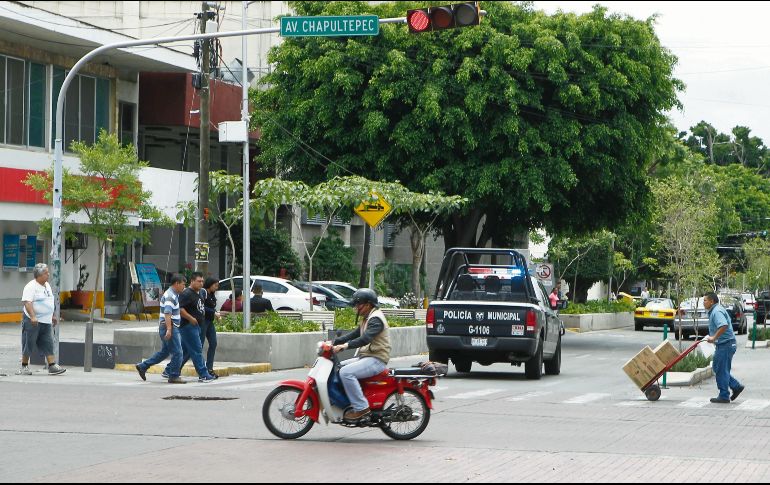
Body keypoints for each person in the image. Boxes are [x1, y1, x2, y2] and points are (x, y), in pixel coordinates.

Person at [332, 288, 391, 421]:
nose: (356, 307)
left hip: (377, 359)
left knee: (346, 373)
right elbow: (355, 333)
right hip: (368, 357)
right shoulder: (368, 317)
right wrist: (335, 341)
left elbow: (365, 339)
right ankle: (348, 402)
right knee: (339, 367)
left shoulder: (376, 319)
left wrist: (344, 346)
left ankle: (361, 409)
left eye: (358, 304)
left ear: (368, 304)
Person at [135, 274, 186, 384]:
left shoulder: (173, 294)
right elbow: (167, 313)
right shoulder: (170, 296)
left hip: (169, 326)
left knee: (164, 352)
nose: (184, 287)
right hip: (170, 326)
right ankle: (174, 376)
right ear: (176, 284)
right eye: (183, 284)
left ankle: (143, 366)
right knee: (178, 352)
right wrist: (169, 329)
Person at [17, 263, 66, 375]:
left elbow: (50, 301)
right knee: (28, 343)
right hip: (32, 321)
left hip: (46, 321)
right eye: (45, 273)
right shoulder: (31, 286)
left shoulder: (47, 285)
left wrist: (52, 315)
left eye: (48, 272)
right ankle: (24, 366)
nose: (48, 274)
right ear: (39, 275)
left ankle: (52, 365)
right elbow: (27, 302)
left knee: (48, 343)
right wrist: (33, 316)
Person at [703, 292, 744, 404]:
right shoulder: (715, 310)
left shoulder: (716, 311)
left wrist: (714, 337)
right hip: (724, 344)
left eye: (705, 300)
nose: (703, 303)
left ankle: (724, 395)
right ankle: (735, 386)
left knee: (721, 369)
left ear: (712, 301)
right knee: (718, 367)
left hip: (726, 344)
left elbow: (723, 325)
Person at [178, 272, 216, 383]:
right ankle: (203, 374)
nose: (201, 283)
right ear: (192, 281)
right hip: (189, 326)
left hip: (197, 325)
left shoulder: (199, 293)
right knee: (197, 350)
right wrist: (190, 318)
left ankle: (171, 371)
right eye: (199, 281)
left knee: (185, 351)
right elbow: (180, 309)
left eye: (202, 281)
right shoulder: (186, 293)